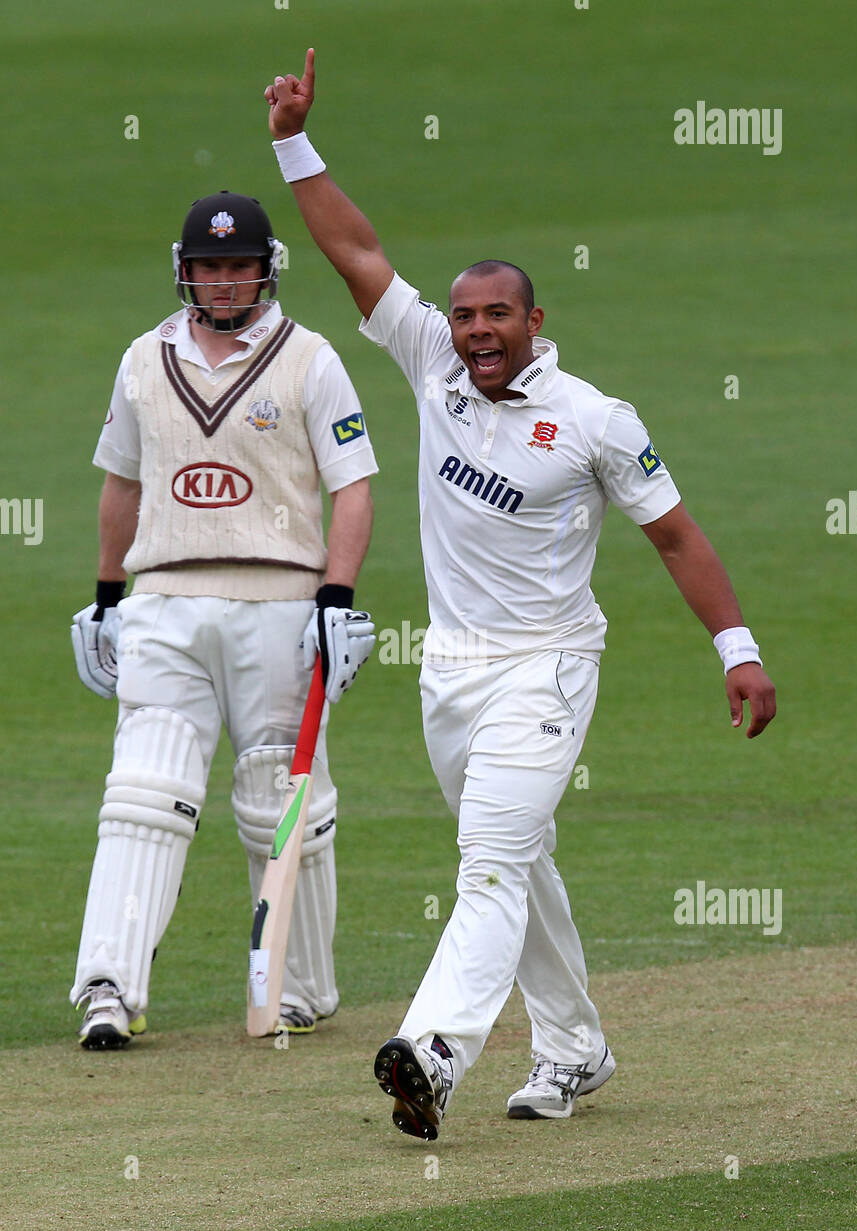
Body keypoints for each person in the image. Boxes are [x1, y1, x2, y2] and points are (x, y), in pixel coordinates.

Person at [264, 52, 777, 1139]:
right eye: (464, 316)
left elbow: (675, 533)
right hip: (447, 670)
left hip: (547, 665)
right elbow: (355, 251)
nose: (478, 332)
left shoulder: (595, 419)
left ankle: (432, 1050)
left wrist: (735, 644)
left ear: (534, 320)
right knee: (521, 859)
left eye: (498, 315)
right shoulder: (431, 368)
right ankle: (573, 1048)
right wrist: (292, 140)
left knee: (488, 864)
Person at [70, 189, 377, 1048]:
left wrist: (337, 602)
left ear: (265, 271)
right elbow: (122, 484)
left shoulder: (310, 359)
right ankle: (108, 988)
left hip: (278, 600)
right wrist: (105, 599)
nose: (225, 283)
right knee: (143, 792)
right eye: (210, 268)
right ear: (186, 273)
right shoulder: (143, 358)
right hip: (164, 599)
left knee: (282, 796)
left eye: (239, 266)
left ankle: (295, 986)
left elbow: (354, 486)